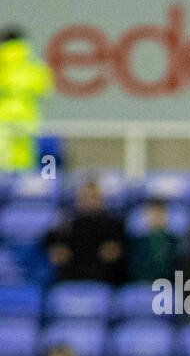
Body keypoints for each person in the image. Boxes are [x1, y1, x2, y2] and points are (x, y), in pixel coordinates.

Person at [44, 180, 127, 284]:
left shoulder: (115, 225)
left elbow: (116, 252)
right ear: (77, 200)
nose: (89, 202)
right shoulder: (65, 225)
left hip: (104, 280)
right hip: (70, 279)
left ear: (101, 199)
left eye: (93, 197)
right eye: (84, 198)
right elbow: (53, 249)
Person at [0, 27, 52, 172]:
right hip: (28, 120)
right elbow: (45, 91)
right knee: (25, 166)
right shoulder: (35, 66)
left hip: (2, 120)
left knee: (3, 169)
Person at [127, 198, 181, 283]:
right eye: (154, 214)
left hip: (167, 285)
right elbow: (134, 266)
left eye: (161, 213)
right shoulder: (138, 241)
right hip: (142, 285)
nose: (157, 218)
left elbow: (176, 266)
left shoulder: (174, 241)